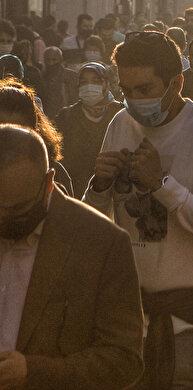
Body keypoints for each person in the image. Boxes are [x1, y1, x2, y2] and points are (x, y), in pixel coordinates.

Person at [84, 31, 193, 390]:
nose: (134, 101)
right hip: (124, 328)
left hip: (188, 330)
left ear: (176, 83)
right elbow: (97, 230)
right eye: (126, 91)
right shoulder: (120, 124)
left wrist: (162, 186)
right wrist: (98, 187)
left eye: (144, 90)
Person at [0, 124, 144, 390]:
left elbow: (124, 361)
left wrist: (34, 372)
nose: (4, 220)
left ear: (49, 184)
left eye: (19, 209)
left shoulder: (101, 243)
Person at [55, 62, 123, 198]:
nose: (89, 86)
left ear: (107, 85)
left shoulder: (120, 113)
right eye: (84, 82)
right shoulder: (66, 116)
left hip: (115, 192)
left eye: (96, 81)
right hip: (76, 194)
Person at [0, 79, 75, 197]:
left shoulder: (54, 173)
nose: (11, 138)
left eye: (19, 129)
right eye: (4, 129)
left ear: (35, 130)